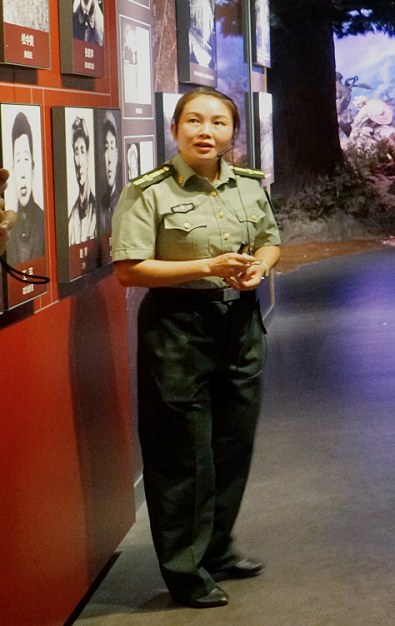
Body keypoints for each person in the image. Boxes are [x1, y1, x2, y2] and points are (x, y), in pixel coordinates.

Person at [111, 87, 281, 609]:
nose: (206, 132)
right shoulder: (148, 191)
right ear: (175, 129)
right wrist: (208, 266)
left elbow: (270, 239)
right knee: (183, 453)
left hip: (240, 323)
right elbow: (129, 270)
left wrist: (260, 268)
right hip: (178, 328)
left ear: (233, 132)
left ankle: (218, 549)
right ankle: (184, 572)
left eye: (218, 123)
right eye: (194, 121)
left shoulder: (247, 184)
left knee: (233, 443)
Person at [7, 111, 41, 264]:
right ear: (13, 170)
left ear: (33, 168)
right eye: (18, 160)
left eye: (26, 159)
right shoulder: (8, 230)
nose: (22, 173)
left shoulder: (43, 223)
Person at [67, 115, 96, 244]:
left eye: (82, 151)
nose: (79, 162)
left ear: (88, 156)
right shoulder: (71, 220)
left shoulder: (97, 212)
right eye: (76, 152)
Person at [98, 113, 120, 238]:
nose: (110, 160)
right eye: (106, 148)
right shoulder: (98, 210)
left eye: (112, 147)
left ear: (116, 154)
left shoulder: (124, 202)